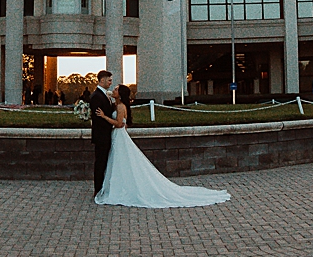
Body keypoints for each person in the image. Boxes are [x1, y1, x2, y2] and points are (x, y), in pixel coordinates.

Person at [96, 85, 231, 208]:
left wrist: (103, 117)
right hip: (118, 136)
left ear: (120, 94)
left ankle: (120, 188)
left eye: (115, 89)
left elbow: (119, 124)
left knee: (121, 162)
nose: (113, 90)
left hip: (119, 136)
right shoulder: (118, 104)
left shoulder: (120, 107)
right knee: (120, 163)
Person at [89, 69, 118, 198]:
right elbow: (97, 118)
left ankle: (104, 187)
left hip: (107, 134)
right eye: (109, 80)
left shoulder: (106, 95)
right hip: (101, 135)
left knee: (105, 161)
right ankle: (98, 188)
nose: (111, 83)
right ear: (102, 80)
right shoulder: (96, 96)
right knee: (100, 162)